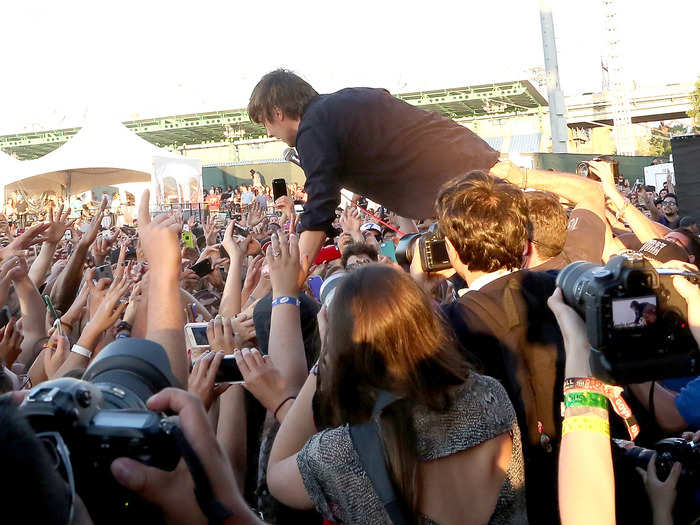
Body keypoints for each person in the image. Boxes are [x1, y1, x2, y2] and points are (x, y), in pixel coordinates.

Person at [263, 233, 526, 524]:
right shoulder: (489, 397)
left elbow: (276, 475)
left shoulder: (343, 454)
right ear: (424, 322)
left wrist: (323, 360)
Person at [247, 68, 499, 266]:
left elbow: (320, 206)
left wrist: (293, 283)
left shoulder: (312, 127)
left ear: (278, 112)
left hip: (464, 184)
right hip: (470, 162)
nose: (269, 133)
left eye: (264, 123)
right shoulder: (340, 104)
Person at [431, 170, 563, 525]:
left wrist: (416, 287)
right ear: (525, 240)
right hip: (583, 483)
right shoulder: (566, 290)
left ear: (453, 250)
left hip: (504, 502)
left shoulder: (444, 327)